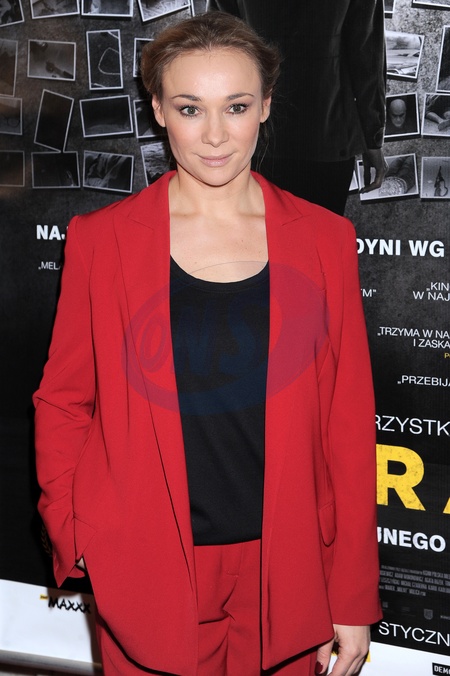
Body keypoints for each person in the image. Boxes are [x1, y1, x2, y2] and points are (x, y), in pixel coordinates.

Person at [34, 12, 381, 676]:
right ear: (159, 110)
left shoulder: (325, 240)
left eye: (237, 107)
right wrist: (73, 527)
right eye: (191, 108)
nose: (215, 135)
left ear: (266, 106)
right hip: (144, 559)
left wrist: (352, 592)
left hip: (287, 567)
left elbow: (346, 425)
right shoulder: (102, 240)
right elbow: (64, 400)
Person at [208, 0, 387, 215]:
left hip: (258, 136)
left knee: (261, 232)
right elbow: (367, 57)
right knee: (321, 232)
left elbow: (216, 47)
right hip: (326, 135)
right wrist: (372, 137)